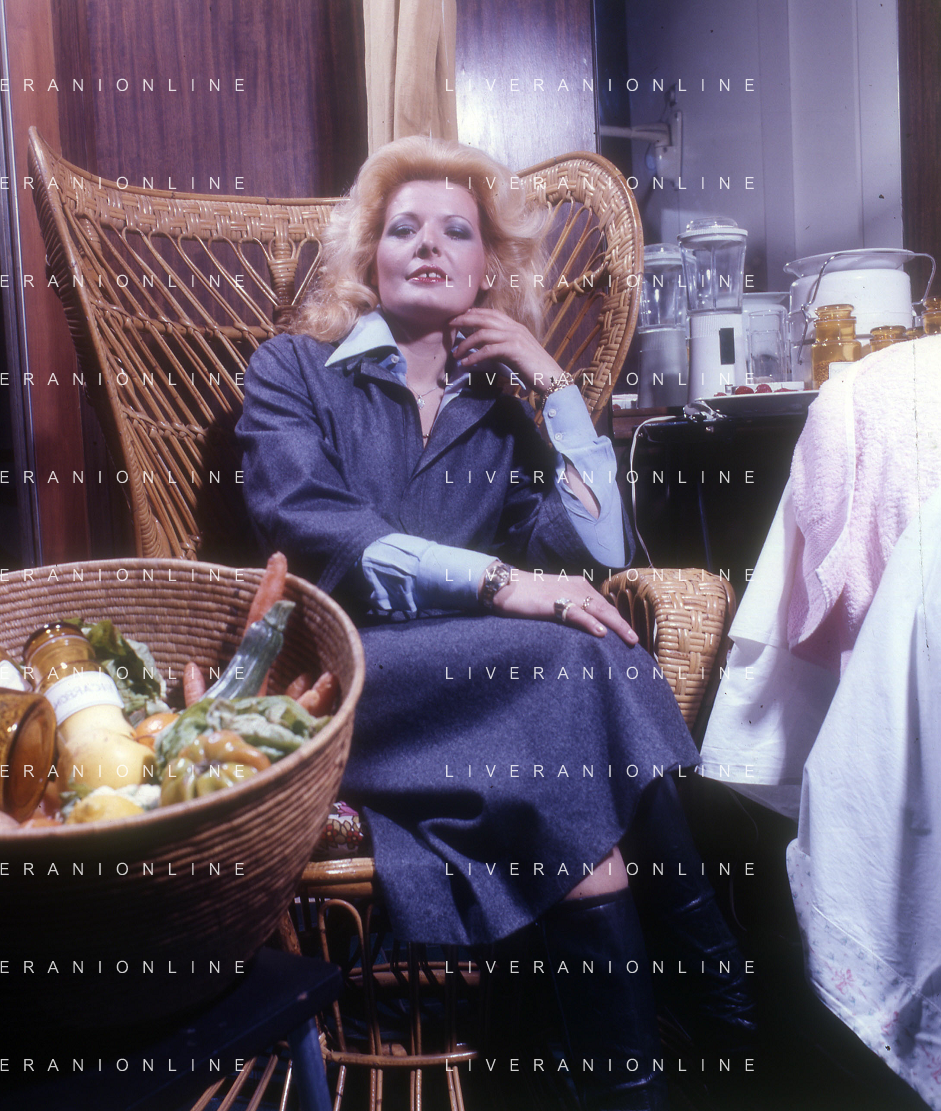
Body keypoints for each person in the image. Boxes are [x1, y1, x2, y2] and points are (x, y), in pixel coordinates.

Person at [236, 135, 755, 1110]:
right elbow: (307, 523)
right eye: (403, 228)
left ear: (486, 269)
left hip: (487, 700)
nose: (429, 244)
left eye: (456, 231)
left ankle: (645, 1071)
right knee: (574, 658)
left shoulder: (501, 411)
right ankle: (717, 983)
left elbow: (595, 554)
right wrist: (497, 583)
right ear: (369, 257)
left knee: (589, 686)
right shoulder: (293, 370)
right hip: (343, 675)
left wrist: (553, 387)